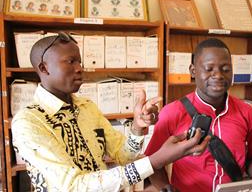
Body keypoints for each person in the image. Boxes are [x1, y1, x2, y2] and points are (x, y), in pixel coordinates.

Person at [11, 32, 211, 191]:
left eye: (80, 61)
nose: (80, 68)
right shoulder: (28, 122)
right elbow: (73, 186)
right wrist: (156, 161)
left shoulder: (86, 107)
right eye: (70, 61)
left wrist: (137, 127)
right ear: (44, 68)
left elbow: (123, 155)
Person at [145, 38, 252, 192]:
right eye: (209, 68)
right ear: (193, 71)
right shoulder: (172, 112)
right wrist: (165, 188)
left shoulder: (247, 112)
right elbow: (152, 162)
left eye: (226, 69)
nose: (218, 75)